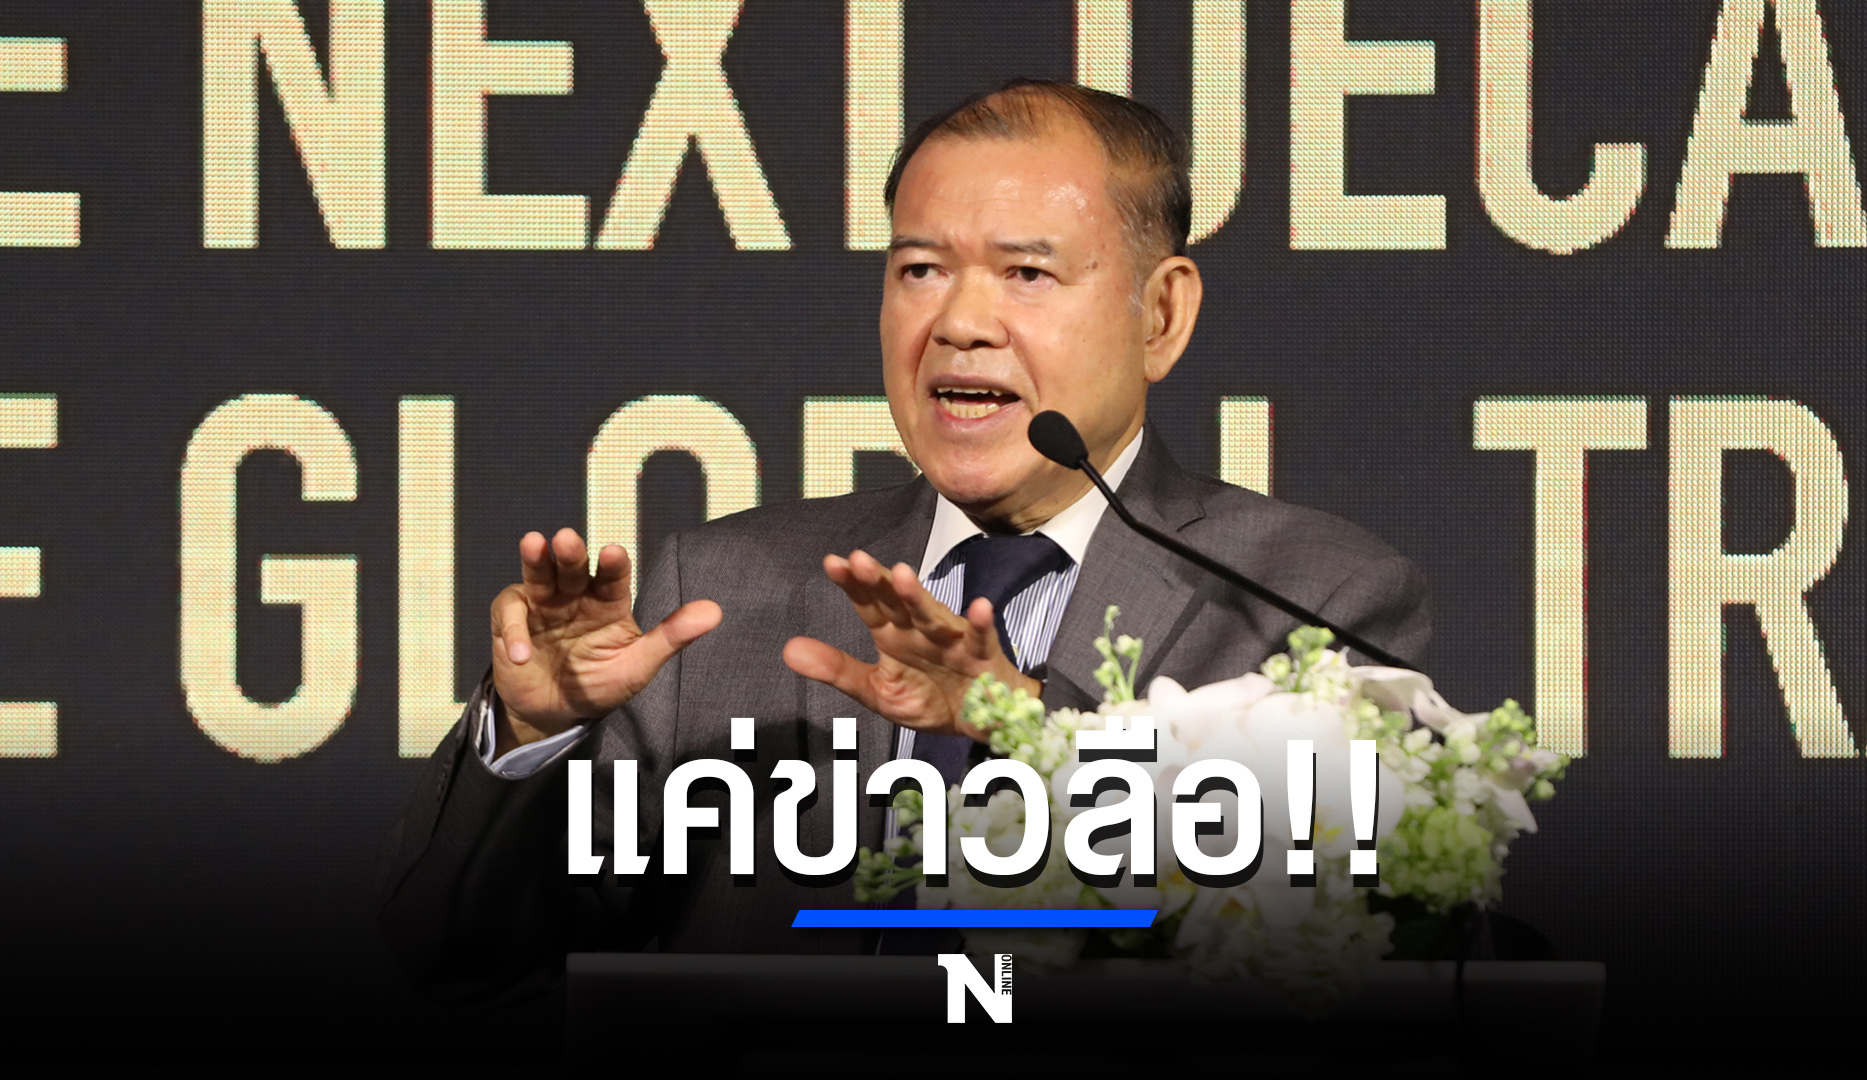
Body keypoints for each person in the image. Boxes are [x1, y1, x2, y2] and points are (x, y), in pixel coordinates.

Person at [377, 79, 1431, 1007]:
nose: (959, 323)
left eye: (1026, 274)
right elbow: (459, 961)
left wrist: (1035, 738)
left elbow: (1334, 954)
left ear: (1160, 315)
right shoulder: (723, 592)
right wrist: (533, 735)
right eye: (921, 269)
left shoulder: (1305, 601)